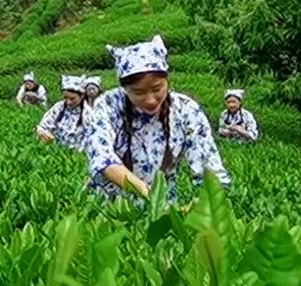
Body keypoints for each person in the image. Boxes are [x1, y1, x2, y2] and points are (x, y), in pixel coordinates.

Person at [82, 35, 230, 204]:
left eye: (157, 88)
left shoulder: (186, 109)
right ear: (125, 88)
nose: (150, 99)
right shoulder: (108, 105)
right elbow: (102, 158)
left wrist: (206, 207)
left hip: (164, 211)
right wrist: (148, 194)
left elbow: (209, 169)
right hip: (110, 209)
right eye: (138, 92)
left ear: (167, 81)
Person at [35, 75, 93, 150]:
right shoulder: (59, 107)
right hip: (55, 149)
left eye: (72, 99)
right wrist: (42, 133)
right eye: (65, 98)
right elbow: (43, 125)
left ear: (82, 96)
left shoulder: (88, 113)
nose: (68, 102)